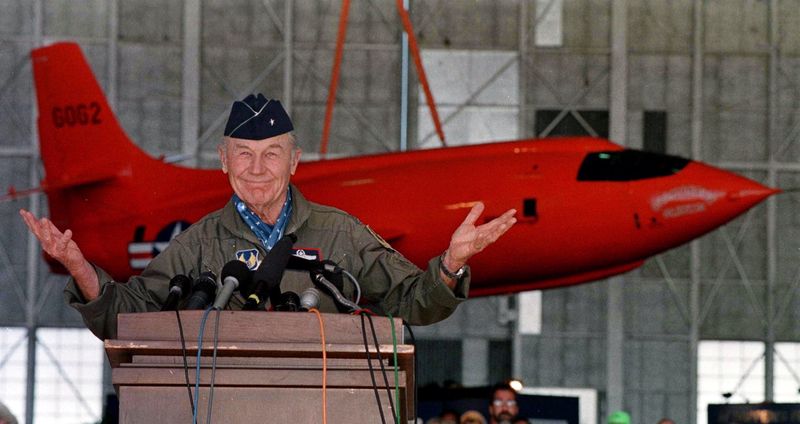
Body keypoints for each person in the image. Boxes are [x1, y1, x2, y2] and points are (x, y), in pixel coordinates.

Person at [19, 94, 517, 340]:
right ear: (223, 160)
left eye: (272, 154)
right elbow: (126, 317)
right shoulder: (199, 243)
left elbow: (415, 305)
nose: (257, 170)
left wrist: (450, 264)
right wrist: (80, 269)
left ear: (295, 162)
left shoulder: (339, 232)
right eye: (244, 154)